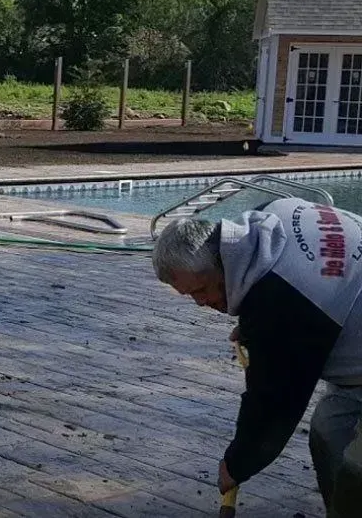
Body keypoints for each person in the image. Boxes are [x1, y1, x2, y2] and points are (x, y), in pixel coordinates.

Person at [153, 197, 362, 517]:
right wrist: (261, 328)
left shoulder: (281, 302)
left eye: (201, 291)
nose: (200, 303)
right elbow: (282, 310)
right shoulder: (266, 217)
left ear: (220, 265)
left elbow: (274, 404)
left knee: (355, 471)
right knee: (328, 429)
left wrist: (237, 463)